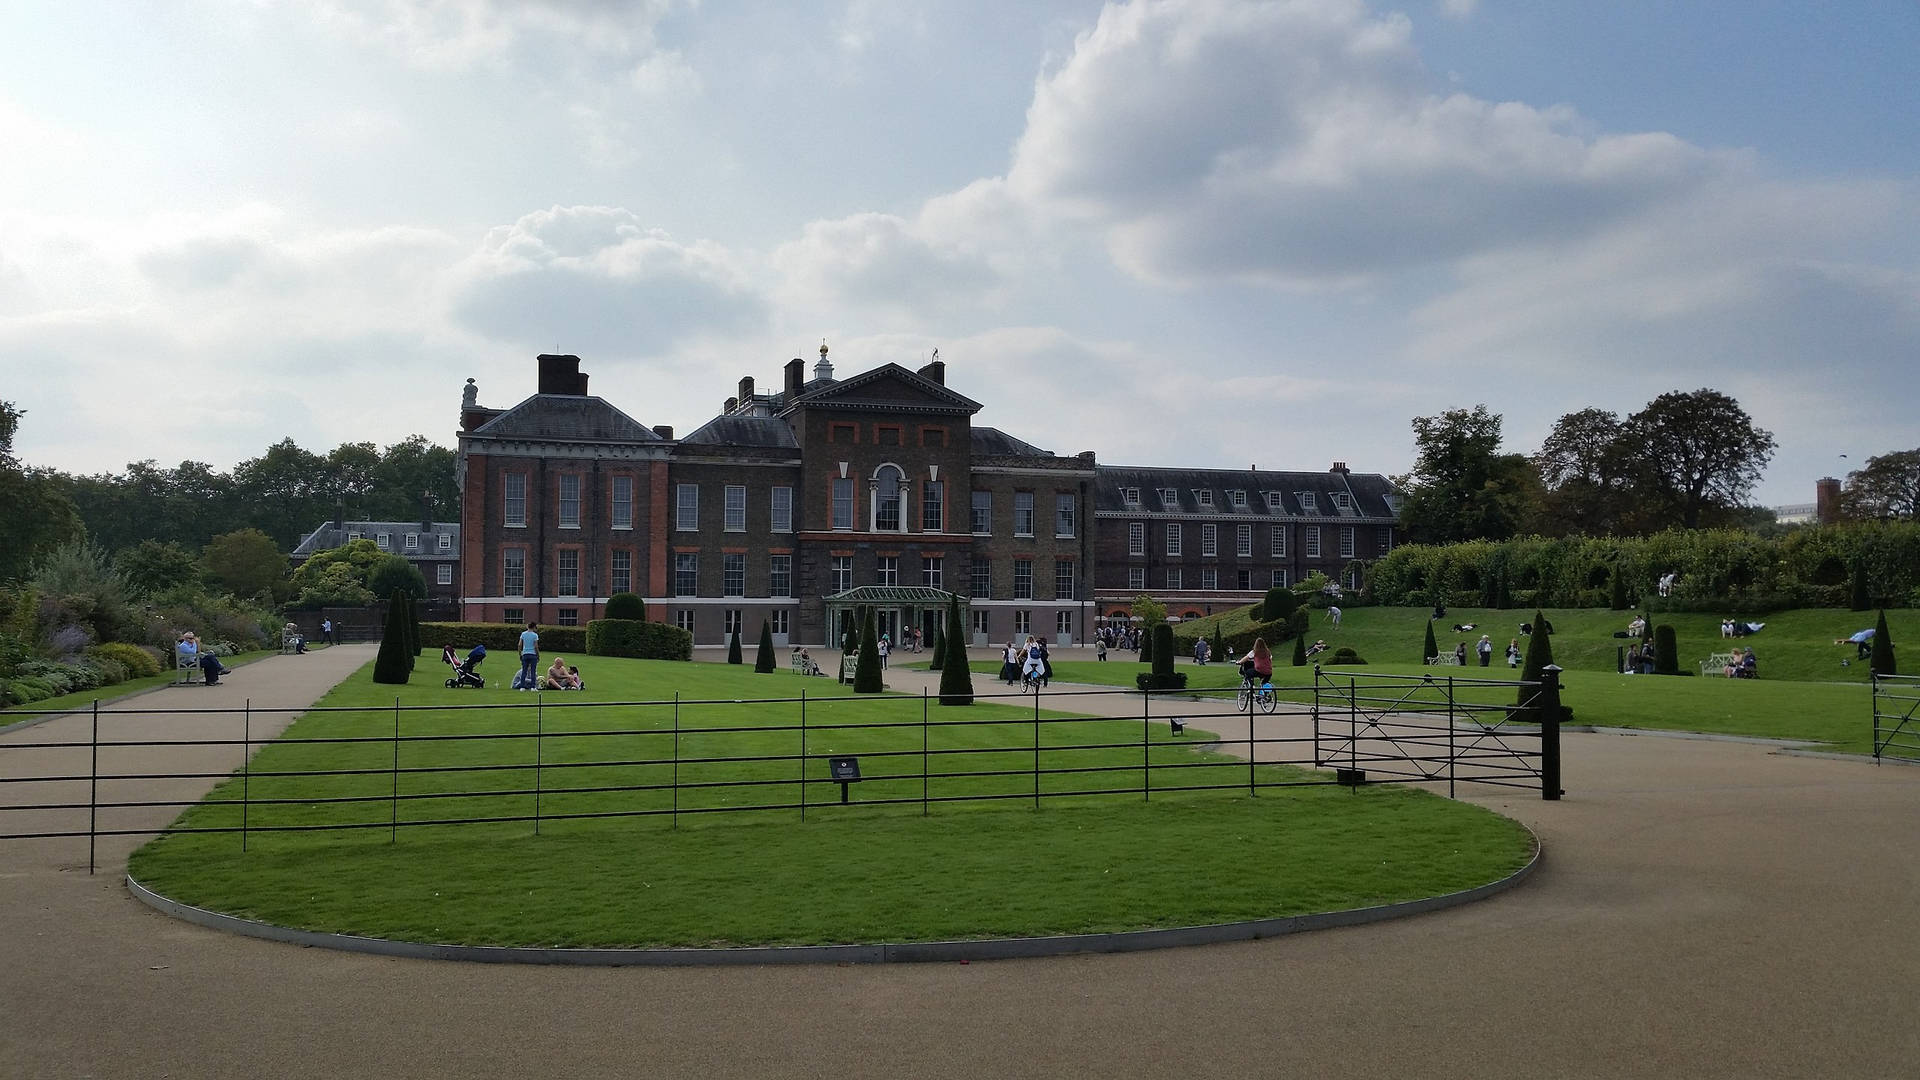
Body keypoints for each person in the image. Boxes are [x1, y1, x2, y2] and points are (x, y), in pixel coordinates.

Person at [518, 621, 540, 691]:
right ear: (534, 627)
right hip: (532, 654)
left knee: (524, 671)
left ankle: (522, 687)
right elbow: (536, 646)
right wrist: (538, 655)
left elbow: (519, 645)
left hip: (525, 654)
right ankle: (533, 687)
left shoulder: (523, 634)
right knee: (533, 671)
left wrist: (520, 654)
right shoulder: (535, 635)